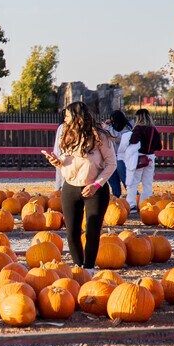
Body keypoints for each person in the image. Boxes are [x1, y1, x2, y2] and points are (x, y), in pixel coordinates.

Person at [43, 101, 116, 275]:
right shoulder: (65, 134)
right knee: (71, 231)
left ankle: (89, 268)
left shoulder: (100, 136)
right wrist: (57, 162)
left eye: (67, 115)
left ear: (77, 117)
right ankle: (78, 266)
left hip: (95, 189)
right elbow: (66, 164)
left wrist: (96, 184)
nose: (64, 118)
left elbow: (111, 164)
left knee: (92, 230)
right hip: (71, 187)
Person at [125, 109, 162, 212]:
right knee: (147, 183)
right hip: (150, 158)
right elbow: (159, 146)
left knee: (134, 182)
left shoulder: (138, 128)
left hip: (139, 158)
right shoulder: (154, 130)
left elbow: (133, 141)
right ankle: (145, 204)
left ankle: (131, 204)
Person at [102, 110, 133, 197]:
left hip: (122, 158)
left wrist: (108, 128)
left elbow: (118, 138)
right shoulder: (112, 128)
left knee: (125, 180)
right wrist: (108, 125)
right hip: (112, 158)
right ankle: (116, 197)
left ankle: (133, 196)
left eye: (114, 121)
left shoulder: (127, 129)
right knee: (113, 181)